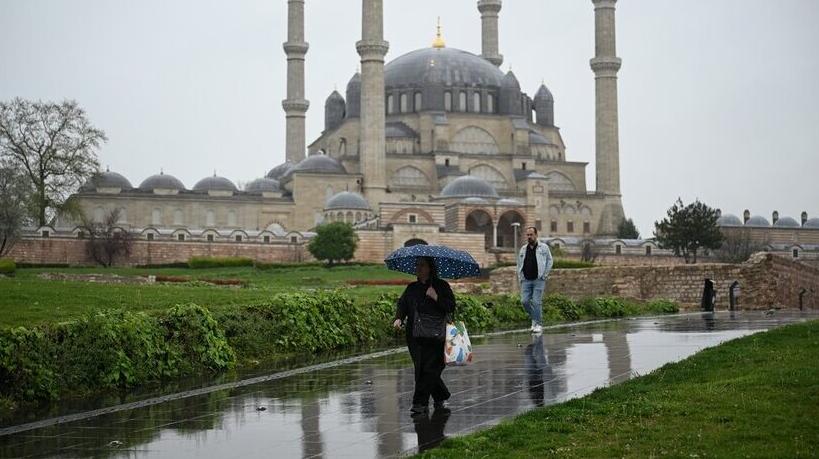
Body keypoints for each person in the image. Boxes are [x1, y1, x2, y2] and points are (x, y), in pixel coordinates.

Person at [393, 256, 456, 415]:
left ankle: (419, 403)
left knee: (430, 368)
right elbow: (403, 304)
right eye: (417, 265)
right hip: (415, 336)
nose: (418, 268)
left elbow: (450, 306)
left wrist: (436, 297)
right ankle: (440, 394)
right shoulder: (412, 287)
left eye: (422, 265)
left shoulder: (441, 285)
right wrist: (398, 318)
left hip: (436, 335)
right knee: (421, 368)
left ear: (430, 268)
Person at [517, 226, 553, 334]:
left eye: (531, 235)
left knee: (537, 302)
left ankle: (538, 324)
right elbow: (519, 263)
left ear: (536, 235)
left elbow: (550, 261)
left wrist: (545, 274)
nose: (529, 237)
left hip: (539, 279)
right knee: (524, 301)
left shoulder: (544, 247)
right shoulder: (523, 249)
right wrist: (521, 277)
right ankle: (535, 318)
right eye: (527, 235)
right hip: (526, 280)